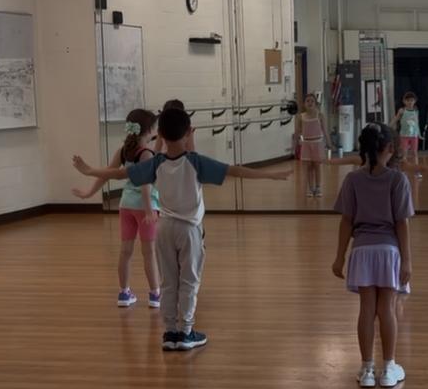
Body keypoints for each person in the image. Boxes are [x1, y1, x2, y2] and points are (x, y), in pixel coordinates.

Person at [73, 107, 292, 351]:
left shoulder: (156, 162)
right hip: (189, 230)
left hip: (164, 228)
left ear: (161, 135)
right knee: (189, 281)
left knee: (169, 281)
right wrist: (270, 175)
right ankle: (186, 332)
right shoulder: (195, 162)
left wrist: (90, 170)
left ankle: (170, 332)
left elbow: (119, 173)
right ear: (188, 132)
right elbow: (234, 170)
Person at [332, 123, 413, 388]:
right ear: (390, 148)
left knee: (366, 309)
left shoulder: (352, 180)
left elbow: (346, 221)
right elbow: (401, 223)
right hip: (388, 251)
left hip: (361, 251)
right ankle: (388, 367)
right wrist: (407, 260)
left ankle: (367, 369)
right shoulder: (397, 179)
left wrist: (339, 257)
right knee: (386, 308)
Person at [71, 108, 161, 308]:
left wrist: (89, 193)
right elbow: (145, 185)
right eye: (154, 127)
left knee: (125, 252)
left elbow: (107, 174)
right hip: (144, 208)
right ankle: (155, 294)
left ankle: (124, 293)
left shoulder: (123, 151)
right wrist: (149, 210)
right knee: (149, 253)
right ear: (148, 130)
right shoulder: (146, 154)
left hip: (125, 205)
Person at [296, 94, 332, 197]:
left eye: (312, 101)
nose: (310, 103)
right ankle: (310, 188)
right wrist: (296, 143)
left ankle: (318, 187)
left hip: (318, 143)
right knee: (308, 167)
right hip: (306, 143)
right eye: (307, 101)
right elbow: (298, 131)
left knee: (317, 166)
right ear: (304, 104)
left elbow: (325, 130)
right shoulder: (301, 116)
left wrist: (329, 143)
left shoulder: (320, 115)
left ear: (316, 103)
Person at [392, 91, 423, 177]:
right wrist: (388, 126)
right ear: (404, 101)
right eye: (408, 100)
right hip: (404, 136)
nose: (410, 102)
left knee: (414, 153)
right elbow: (396, 119)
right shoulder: (402, 110)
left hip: (414, 136)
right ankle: (403, 170)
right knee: (404, 154)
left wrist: (419, 134)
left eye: (412, 100)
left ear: (415, 101)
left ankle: (416, 171)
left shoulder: (416, 111)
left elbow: (417, 123)